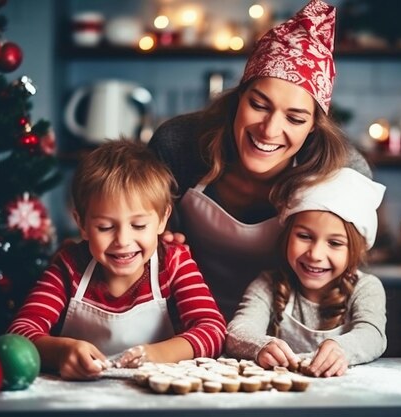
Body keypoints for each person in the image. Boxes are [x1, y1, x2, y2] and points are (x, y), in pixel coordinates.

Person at [148, 0, 371, 320]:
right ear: (239, 97)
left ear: (313, 128)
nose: (269, 130)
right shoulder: (179, 145)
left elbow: (347, 276)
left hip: (286, 334)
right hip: (183, 326)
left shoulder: (344, 173)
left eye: (295, 119)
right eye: (259, 105)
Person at [7, 139, 226, 381]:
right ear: (82, 224)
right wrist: (61, 352)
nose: (122, 240)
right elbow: (19, 333)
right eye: (105, 227)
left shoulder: (174, 263)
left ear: (163, 220)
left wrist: (158, 354)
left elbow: (213, 329)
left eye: (139, 225)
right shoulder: (69, 267)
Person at [225, 167, 387, 378]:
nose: (316, 254)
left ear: (356, 250)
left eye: (335, 243)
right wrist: (261, 345)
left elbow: (372, 335)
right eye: (305, 236)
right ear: (287, 236)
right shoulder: (268, 284)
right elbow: (238, 330)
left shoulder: (366, 287)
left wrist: (341, 349)